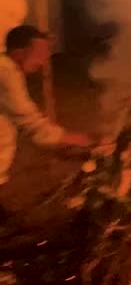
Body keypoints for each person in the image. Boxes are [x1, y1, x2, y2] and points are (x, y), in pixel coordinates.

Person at [0, 26, 91, 187]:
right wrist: (68, 138)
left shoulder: (8, 68)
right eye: (38, 55)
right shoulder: (5, 72)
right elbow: (29, 121)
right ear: (19, 53)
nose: (42, 62)